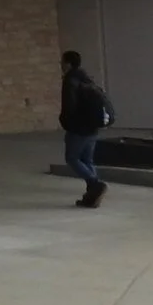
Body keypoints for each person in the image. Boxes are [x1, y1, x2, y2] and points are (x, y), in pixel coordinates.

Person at [60, 49, 112, 208]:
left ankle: (95, 185)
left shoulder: (70, 81)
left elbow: (69, 106)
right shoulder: (88, 79)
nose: (61, 65)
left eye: (62, 62)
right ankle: (92, 196)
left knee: (72, 158)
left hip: (78, 127)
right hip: (93, 126)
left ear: (68, 64)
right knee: (87, 160)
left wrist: (66, 122)